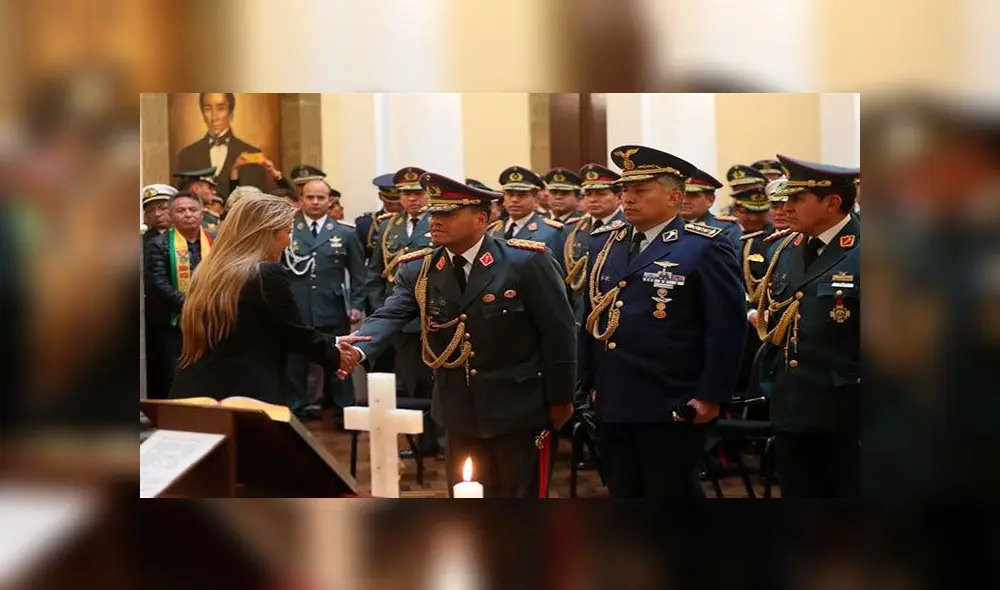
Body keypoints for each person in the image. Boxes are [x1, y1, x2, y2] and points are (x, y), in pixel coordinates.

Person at [352, 172, 577, 498]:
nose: (436, 222)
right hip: (458, 408)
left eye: (448, 214)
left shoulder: (525, 262)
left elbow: (558, 333)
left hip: (519, 406)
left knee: (520, 499)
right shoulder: (420, 268)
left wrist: (561, 397)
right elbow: (390, 314)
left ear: (481, 219)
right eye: (434, 214)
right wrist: (356, 348)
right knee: (467, 495)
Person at [579, 145, 746, 498]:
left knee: (670, 490)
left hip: (671, 397)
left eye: (640, 191)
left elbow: (726, 327)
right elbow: (592, 316)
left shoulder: (703, 247)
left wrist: (711, 394)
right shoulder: (605, 244)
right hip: (614, 396)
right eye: (624, 190)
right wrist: (590, 381)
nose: (628, 199)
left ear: (673, 197)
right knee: (623, 488)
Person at [170, 194, 366, 403]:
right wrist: (336, 357)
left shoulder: (208, 270)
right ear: (266, 233)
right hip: (245, 394)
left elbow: (259, 328)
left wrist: (333, 341)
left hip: (197, 390)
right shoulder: (264, 273)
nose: (289, 240)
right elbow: (293, 332)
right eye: (287, 232)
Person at [751, 155, 861, 498]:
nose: (786, 206)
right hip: (792, 403)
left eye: (798, 199)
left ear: (832, 203)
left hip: (847, 407)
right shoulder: (786, 247)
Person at [361, 166, 438, 454]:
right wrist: (378, 308)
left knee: (439, 383)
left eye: (417, 193)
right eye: (405, 194)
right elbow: (374, 273)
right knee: (413, 384)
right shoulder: (387, 226)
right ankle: (423, 441)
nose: (412, 199)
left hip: (435, 316)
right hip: (401, 321)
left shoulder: (438, 221)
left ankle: (444, 440)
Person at [282, 179, 367, 420]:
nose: (316, 202)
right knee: (295, 363)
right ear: (301, 200)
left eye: (321, 197)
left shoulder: (345, 232)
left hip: (331, 306)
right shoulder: (287, 230)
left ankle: (344, 412)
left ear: (330, 201)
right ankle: (296, 410)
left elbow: (359, 274)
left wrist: (357, 304)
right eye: (310, 197)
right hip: (295, 307)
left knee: (337, 360)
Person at [143, 190, 213, 399]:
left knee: (208, 369)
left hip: (211, 318)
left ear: (203, 213)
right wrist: (189, 305)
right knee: (174, 372)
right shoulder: (158, 244)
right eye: (181, 210)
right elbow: (156, 284)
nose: (188, 214)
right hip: (172, 322)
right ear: (172, 216)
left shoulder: (216, 241)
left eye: (193, 210)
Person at [562, 164, 626, 324]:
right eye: (588, 194)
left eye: (601, 194)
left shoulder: (628, 228)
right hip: (577, 311)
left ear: (619, 197)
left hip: (612, 312)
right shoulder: (573, 228)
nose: (593, 199)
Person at [176, 93, 269, 198]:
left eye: (221, 108)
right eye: (208, 109)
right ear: (202, 113)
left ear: (231, 112)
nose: (214, 117)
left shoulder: (251, 153)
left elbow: (260, 199)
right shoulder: (187, 155)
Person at [487, 166, 565, 262]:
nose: (514, 200)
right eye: (510, 194)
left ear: (536, 199)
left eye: (522, 195)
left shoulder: (551, 232)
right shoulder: (493, 230)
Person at [681, 169, 743, 249]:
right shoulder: (666, 224)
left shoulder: (726, 228)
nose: (684, 201)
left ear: (710, 200)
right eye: (682, 195)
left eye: (693, 195)